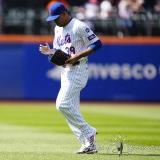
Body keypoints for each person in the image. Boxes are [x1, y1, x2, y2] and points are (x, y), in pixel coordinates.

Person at [39, 2, 102, 154]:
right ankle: (88, 144)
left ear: (64, 13)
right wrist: (50, 52)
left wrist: (77, 57)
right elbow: (61, 52)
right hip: (66, 71)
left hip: (78, 68)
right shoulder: (57, 28)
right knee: (70, 110)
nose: (54, 21)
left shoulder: (79, 26)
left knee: (62, 104)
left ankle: (89, 131)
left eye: (56, 17)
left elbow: (97, 44)